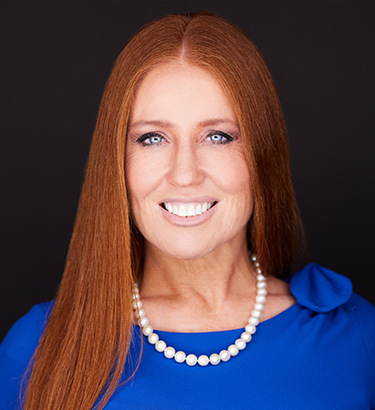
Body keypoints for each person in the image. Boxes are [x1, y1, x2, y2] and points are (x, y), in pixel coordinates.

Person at [0, 11, 374, 410]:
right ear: (116, 162)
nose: (184, 174)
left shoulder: (356, 337)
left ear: (264, 154)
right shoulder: (38, 347)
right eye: (152, 138)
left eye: (217, 136)